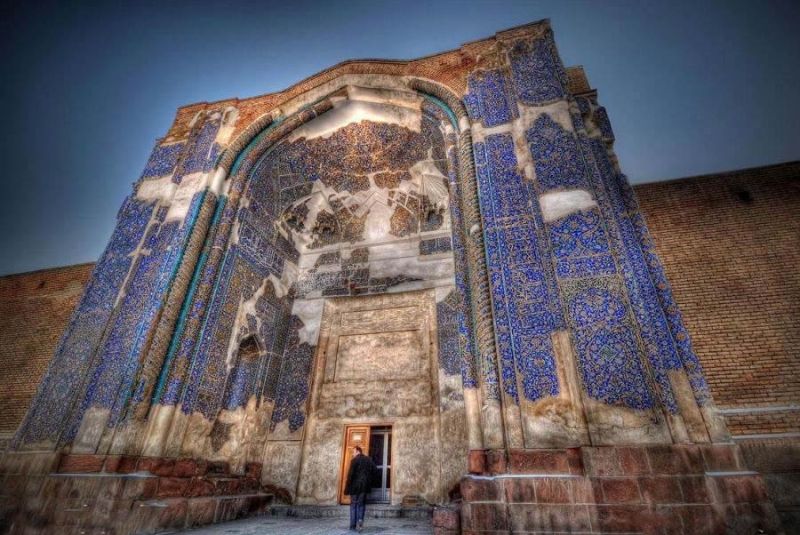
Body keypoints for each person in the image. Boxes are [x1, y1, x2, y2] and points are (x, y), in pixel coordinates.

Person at [344, 445, 377, 532]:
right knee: (361, 505)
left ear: (358, 451)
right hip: (364, 487)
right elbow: (375, 471)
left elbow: (350, 475)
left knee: (353, 505)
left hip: (354, 487)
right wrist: (369, 481)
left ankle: (352, 526)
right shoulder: (369, 460)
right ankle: (360, 520)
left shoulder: (354, 461)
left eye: (353, 452)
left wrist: (347, 488)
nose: (352, 454)